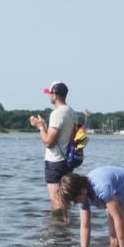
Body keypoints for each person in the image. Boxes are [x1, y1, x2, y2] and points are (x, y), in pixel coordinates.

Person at [58, 167, 124, 247]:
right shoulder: (81, 194)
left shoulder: (101, 188)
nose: (76, 203)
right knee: (114, 241)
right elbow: (85, 226)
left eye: (75, 200)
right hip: (116, 194)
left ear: (83, 191)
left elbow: (117, 218)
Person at [29, 81, 77, 211]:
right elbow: (62, 138)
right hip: (68, 161)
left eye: (50, 94)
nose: (49, 96)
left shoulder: (57, 113)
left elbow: (48, 142)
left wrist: (40, 127)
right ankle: (66, 223)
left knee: (57, 202)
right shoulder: (72, 112)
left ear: (55, 95)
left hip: (55, 162)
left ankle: (57, 223)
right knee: (65, 199)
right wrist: (45, 126)